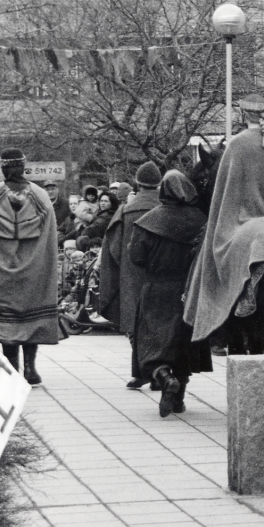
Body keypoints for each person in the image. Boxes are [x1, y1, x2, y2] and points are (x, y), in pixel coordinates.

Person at [183, 93, 264, 342]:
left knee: (216, 251)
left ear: (242, 114)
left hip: (246, 221)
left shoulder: (237, 144)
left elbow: (225, 195)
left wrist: (221, 224)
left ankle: (228, 315)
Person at [0, 148, 59, 385]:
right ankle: (30, 369)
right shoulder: (40, 196)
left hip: (0, 268)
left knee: (6, 318)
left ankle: (12, 368)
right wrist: (42, 262)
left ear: (3, 168)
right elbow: (50, 237)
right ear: (23, 167)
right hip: (34, 268)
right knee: (30, 315)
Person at [130, 171, 212, 417]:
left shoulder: (149, 220)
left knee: (152, 342)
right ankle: (178, 400)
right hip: (190, 289)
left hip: (157, 289)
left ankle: (164, 378)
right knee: (183, 344)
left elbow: (137, 256)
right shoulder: (202, 220)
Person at [99, 161, 163, 388]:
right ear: (159, 183)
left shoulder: (126, 210)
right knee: (161, 326)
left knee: (135, 323)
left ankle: (142, 371)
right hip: (163, 276)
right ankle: (160, 373)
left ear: (138, 183)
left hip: (132, 275)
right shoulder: (168, 207)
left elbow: (113, 247)